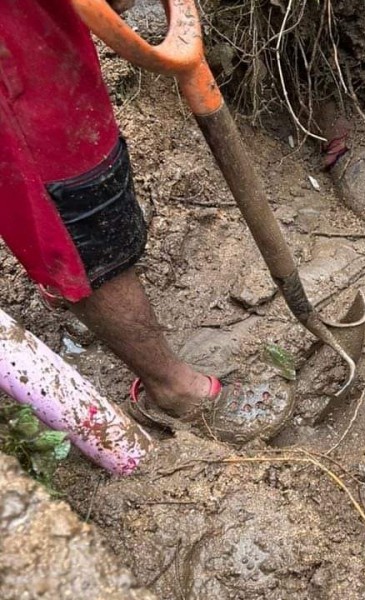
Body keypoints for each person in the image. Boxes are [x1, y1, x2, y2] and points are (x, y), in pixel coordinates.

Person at [0, 0, 293, 443]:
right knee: (78, 207)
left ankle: (58, 278)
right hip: (17, 66)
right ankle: (173, 390)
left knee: (44, 202)